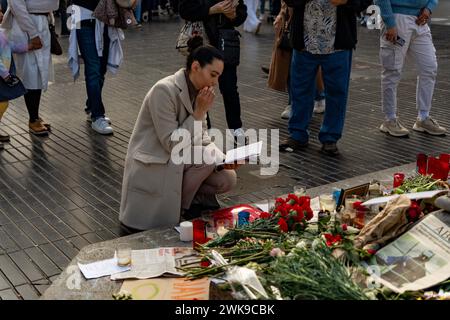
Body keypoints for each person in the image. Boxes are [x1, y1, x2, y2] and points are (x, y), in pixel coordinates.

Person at [120, 39, 238, 231]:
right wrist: (199, 112)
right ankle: (181, 210)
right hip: (157, 159)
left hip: (180, 157)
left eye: (218, 77)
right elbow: (172, 144)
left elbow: (203, 137)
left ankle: (192, 201)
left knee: (227, 177)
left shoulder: (199, 91)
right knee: (206, 159)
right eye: (213, 75)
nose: (215, 82)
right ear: (195, 67)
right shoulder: (164, 90)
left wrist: (225, 160)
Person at [280, 0, 371, 156]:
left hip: (338, 43)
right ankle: (297, 133)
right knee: (300, 90)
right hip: (304, 42)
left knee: (337, 93)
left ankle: (330, 137)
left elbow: (365, 2)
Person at [179, 0, 249, 145]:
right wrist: (212, 10)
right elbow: (184, 9)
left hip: (225, 42)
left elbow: (241, 14)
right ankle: (205, 130)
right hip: (201, 43)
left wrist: (232, 15)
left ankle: (236, 129)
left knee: (230, 88)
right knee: (201, 89)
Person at [375, 0, 445, 137]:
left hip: (420, 20)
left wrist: (429, 8)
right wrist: (389, 22)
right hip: (397, 17)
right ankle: (389, 119)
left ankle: (423, 118)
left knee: (429, 67)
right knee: (392, 71)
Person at [2, 0, 58, 136]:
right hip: (27, 26)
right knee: (31, 73)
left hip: (40, 22)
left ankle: (35, 116)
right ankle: (33, 119)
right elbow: (17, 5)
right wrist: (33, 33)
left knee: (38, 73)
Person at [69, 0, 124, 135]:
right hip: (84, 18)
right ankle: (97, 116)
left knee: (101, 68)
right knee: (93, 68)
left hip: (104, 19)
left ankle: (92, 107)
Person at [269, 1, 326, 119]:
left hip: (313, 23)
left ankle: (318, 96)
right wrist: (281, 13)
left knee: (310, 64)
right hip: (292, 24)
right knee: (290, 65)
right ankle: (293, 103)